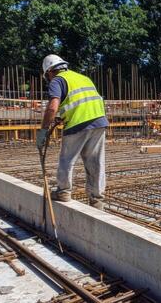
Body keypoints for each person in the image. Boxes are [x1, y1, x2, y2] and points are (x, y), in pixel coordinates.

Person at [36, 55, 108, 210]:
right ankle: (97, 201)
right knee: (96, 162)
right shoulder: (83, 78)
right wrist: (63, 117)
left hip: (78, 123)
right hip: (99, 121)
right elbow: (78, 102)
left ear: (50, 71)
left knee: (67, 159)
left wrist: (43, 130)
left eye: (47, 75)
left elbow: (52, 107)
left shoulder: (58, 80)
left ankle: (63, 191)